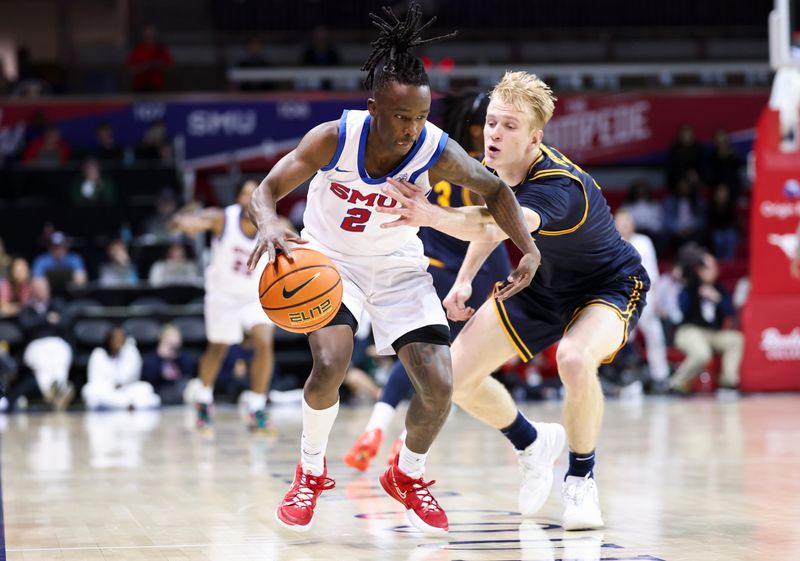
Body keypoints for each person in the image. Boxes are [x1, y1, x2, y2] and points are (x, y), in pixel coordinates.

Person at [246, 4, 539, 535]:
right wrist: (268, 223)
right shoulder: (334, 137)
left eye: (421, 117)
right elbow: (265, 190)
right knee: (331, 363)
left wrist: (529, 249)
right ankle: (310, 471)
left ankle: (408, 474)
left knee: (439, 386)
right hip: (331, 262)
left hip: (399, 266)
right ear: (374, 106)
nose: (412, 129)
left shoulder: (432, 147)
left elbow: (495, 189)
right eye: (402, 117)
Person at [377, 70, 650, 530]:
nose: (494, 133)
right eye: (492, 122)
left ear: (535, 137)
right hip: (541, 286)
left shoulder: (560, 188)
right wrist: (463, 280)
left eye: (509, 126)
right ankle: (532, 442)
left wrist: (429, 215)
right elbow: (494, 210)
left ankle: (581, 479)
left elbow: (495, 224)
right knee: (453, 380)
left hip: (607, 286)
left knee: (575, 359)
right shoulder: (496, 167)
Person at [344, 89, 512, 471]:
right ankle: (405, 442)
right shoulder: (490, 173)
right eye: (492, 123)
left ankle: (376, 425)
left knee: (419, 354)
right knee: (446, 365)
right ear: (478, 129)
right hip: (470, 268)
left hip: (430, 264)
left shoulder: (436, 158)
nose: (496, 131)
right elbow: (492, 233)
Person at [169, 179, 276, 433]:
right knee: (218, 348)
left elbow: (295, 238)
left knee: (264, 341)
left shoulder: (271, 223)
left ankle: (257, 406)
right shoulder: (221, 218)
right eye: (245, 193)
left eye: (255, 194)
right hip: (223, 295)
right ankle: (204, 398)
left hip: (254, 295)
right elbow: (181, 224)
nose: (249, 198)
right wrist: (184, 220)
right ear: (238, 197)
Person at [669, 252, 743, 394]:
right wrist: (692, 288)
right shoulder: (690, 286)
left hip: (713, 333)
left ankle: (728, 384)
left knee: (736, 340)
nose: (708, 271)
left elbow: (731, 311)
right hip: (690, 331)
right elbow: (681, 308)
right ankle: (676, 383)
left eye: (711, 267)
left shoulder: (720, 289)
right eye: (704, 267)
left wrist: (717, 298)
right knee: (702, 354)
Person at [614, 208, 669, 390]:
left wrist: (654, 299)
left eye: (627, 223)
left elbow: (653, 273)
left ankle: (660, 376)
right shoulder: (609, 242)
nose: (624, 227)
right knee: (620, 338)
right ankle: (621, 377)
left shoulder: (644, 242)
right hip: (620, 298)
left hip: (645, 296)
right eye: (621, 224)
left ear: (633, 225)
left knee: (655, 334)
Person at [18, 277, 75, 410]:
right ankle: (55, 393)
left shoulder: (58, 303)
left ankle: (57, 390)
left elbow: (66, 322)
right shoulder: (27, 307)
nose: (41, 290)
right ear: (32, 290)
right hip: (35, 345)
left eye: (43, 287)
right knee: (42, 364)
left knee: (60, 361)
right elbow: (25, 325)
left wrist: (39, 321)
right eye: (37, 287)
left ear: (48, 288)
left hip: (57, 342)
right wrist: (47, 318)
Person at [82, 327, 159, 410]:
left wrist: (130, 349)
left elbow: (133, 377)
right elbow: (94, 380)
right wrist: (112, 385)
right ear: (109, 340)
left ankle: (117, 405)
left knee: (147, 388)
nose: (118, 342)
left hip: (126, 391)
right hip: (107, 391)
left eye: (121, 339)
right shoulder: (98, 354)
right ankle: (128, 405)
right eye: (115, 339)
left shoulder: (130, 352)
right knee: (89, 389)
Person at [141, 324, 197, 405]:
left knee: (194, 384)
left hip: (181, 389)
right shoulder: (154, 357)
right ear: (161, 340)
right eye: (168, 339)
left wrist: (177, 357)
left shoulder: (183, 356)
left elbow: (190, 374)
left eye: (175, 337)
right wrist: (160, 357)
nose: (172, 343)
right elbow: (149, 378)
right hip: (161, 390)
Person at [128, 24, 173, 93]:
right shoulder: (137, 49)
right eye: (147, 33)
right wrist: (145, 66)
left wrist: (157, 64)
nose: (149, 35)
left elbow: (170, 68)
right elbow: (131, 70)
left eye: (151, 33)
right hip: (140, 87)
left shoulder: (161, 49)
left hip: (157, 87)